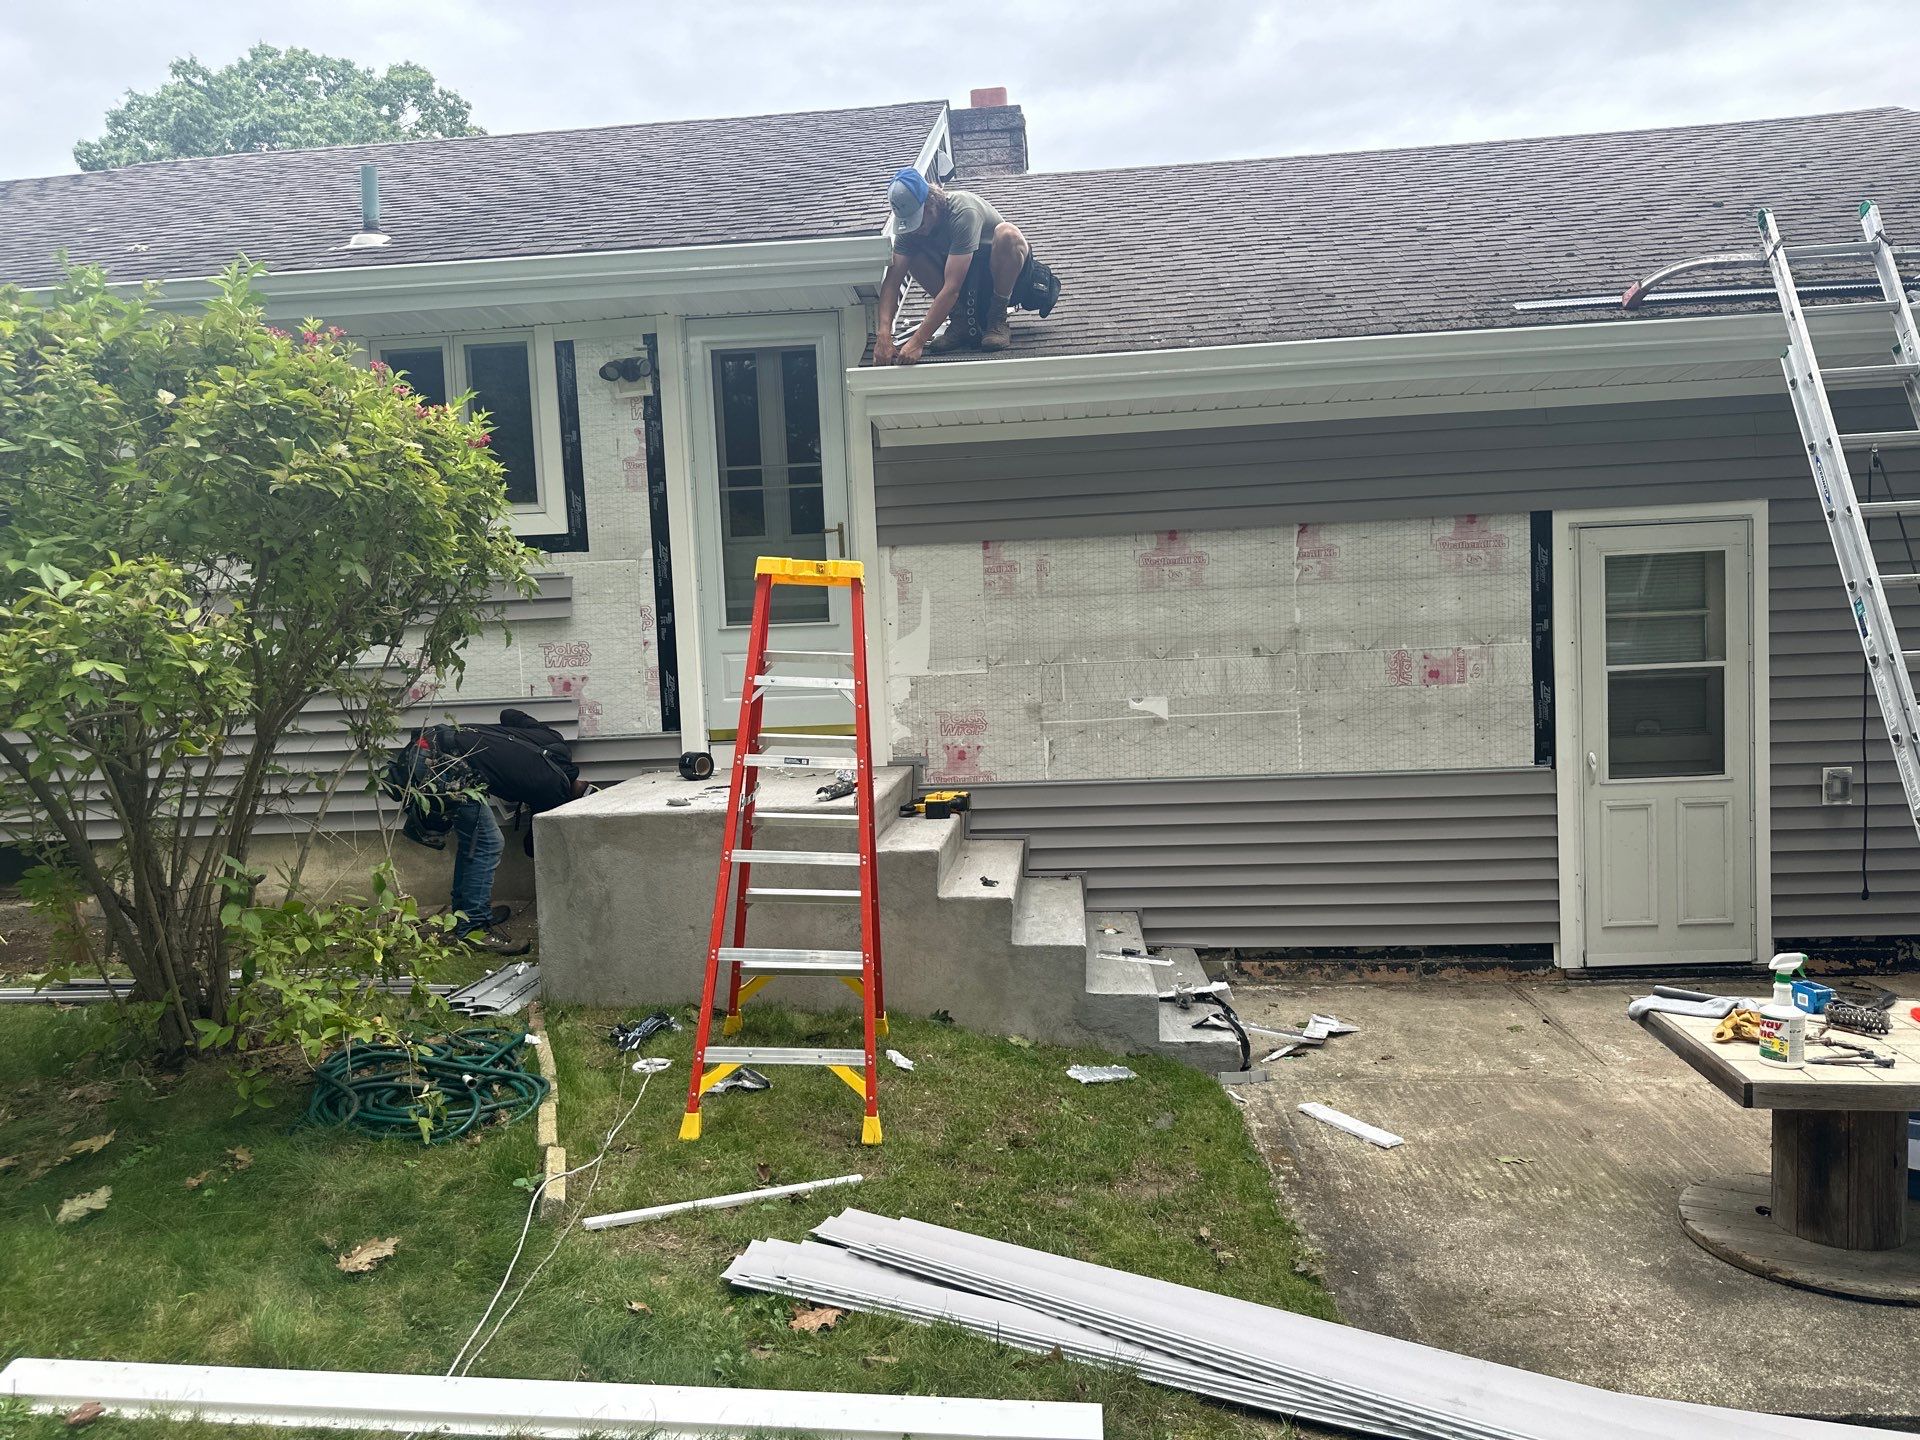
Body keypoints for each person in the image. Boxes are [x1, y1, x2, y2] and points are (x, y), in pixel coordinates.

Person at [388, 709, 591, 957]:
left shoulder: (556, 742)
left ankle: (465, 915)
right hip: (446, 765)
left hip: (434, 743)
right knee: (487, 843)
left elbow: (508, 714)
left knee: (474, 842)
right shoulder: (553, 791)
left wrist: (503, 750)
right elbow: (532, 846)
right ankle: (474, 927)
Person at [873, 167, 1060, 364]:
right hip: (964, 288)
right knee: (912, 253)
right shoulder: (910, 232)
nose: (914, 230)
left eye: (917, 222)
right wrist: (884, 335)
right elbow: (892, 283)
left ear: (931, 205)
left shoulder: (962, 212)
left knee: (1007, 233)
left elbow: (952, 288)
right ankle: (960, 321)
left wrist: (918, 341)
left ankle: (997, 319)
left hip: (1001, 280)